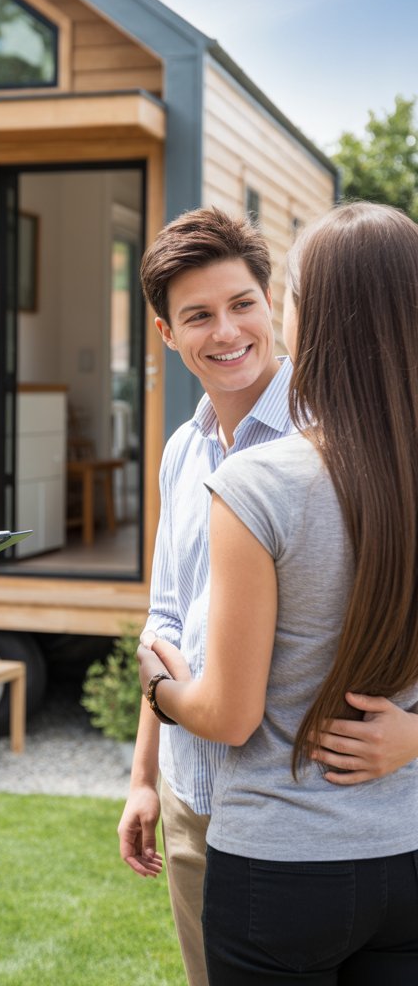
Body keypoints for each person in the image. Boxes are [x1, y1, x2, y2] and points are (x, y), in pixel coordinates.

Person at [118, 206, 418, 986]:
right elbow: (166, 622)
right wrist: (145, 779)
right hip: (198, 800)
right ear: (165, 334)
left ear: (282, 307)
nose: (227, 332)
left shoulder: (353, 445)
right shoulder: (183, 453)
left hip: (309, 824)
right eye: (199, 316)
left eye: (245, 304)